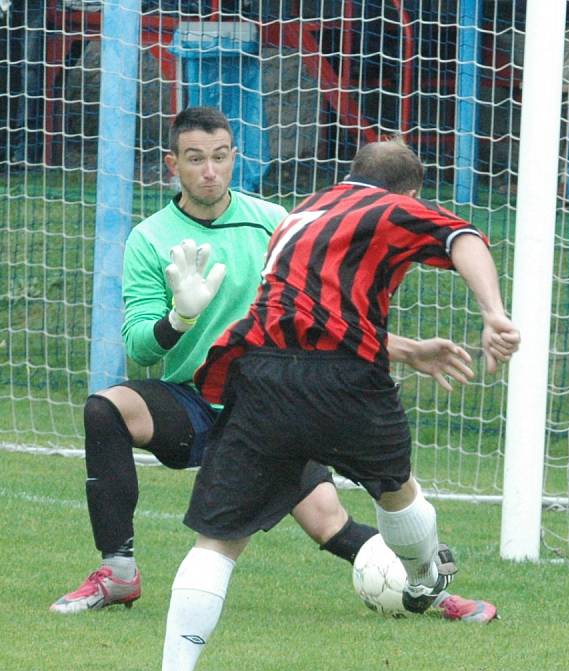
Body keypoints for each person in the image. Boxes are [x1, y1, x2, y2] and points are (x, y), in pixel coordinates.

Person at [134, 138, 521, 671]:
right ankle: (423, 578)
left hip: (261, 376)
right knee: (396, 493)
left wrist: (411, 349)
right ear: (410, 193)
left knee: (219, 542)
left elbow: (308, 310)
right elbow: (463, 237)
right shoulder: (391, 210)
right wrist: (495, 311)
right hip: (346, 382)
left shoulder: (301, 214)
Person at [49, 107, 474, 615]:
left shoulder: (277, 222)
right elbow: (140, 348)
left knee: (328, 521)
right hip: (191, 402)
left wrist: (405, 349)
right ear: (172, 165)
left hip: (270, 402)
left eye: (220, 157)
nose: (210, 170)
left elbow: (328, 321)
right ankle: (117, 572)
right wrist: (179, 319)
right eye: (195, 158)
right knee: (106, 408)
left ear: (234, 159)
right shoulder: (150, 238)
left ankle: (434, 591)